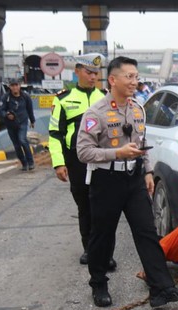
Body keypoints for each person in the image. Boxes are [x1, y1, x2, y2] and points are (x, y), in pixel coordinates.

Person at [76, 56, 178, 308]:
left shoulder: (138, 108)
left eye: (136, 76)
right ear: (112, 79)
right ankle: (98, 283)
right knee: (102, 235)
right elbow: (83, 152)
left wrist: (148, 172)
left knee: (147, 232)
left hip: (135, 178)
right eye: (129, 76)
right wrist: (116, 153)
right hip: (106, 180)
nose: (134, 81)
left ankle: (161, 289)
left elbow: (142, 145)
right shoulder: (95, 113)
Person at [48, 53, 116, 269]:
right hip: (76, 161)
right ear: (77, 71)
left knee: (105, 206)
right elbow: (55, 134)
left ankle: (107, 252)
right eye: (88, 72)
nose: (93, 77)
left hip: (103, 159)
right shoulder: (63, 99)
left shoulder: (106, 97)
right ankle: (90, 249)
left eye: (96, 73)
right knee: (85, 205)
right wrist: (59, 163)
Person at [0, 79, 35, 171]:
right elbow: (1, 110)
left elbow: (30, 109)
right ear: (10, 87)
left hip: (22, 122)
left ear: (19, 86)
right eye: (12, 85)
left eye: (16, 85)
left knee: (22, 140)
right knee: (16, 145)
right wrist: (7, 115)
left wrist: (32, 120)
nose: (15, 87)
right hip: (11, 124)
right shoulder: (5, 97)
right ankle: (24, 163)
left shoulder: (25, 97)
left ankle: (30, 162)